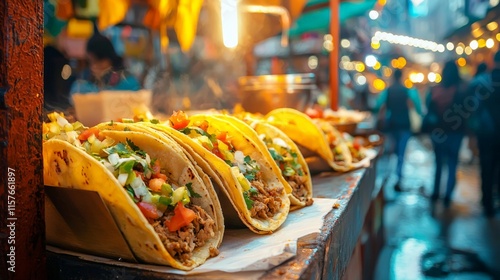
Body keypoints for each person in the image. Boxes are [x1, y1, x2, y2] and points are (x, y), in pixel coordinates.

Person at [425, 60, 466, 208]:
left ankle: (436, 193)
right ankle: (447, 196)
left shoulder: (435, 90)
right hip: (456, 133)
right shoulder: (462, 90)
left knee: (438, 163)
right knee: (452, 163)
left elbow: (428, 110)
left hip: (438, 133)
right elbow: (466, 114)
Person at [376, 69, 423, 191]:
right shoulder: (408, 91)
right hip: (404, 124)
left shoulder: (388, 91)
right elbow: (418, 107)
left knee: (391, 151)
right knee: (401, 153)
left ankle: (386, 178)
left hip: (391, 124)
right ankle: (398, 178)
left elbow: (377, 105)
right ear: (402, 76)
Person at [70, 30, 140, 94]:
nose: (94, 66)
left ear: (109, 58)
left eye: (98, 61)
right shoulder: (84, 82)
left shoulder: (127, 81)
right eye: (90, 62)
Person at [475, 52, 500, 217]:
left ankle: (486, 202)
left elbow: (474, 107)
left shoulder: (482, 81)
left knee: (486, 166)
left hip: (485, 132)